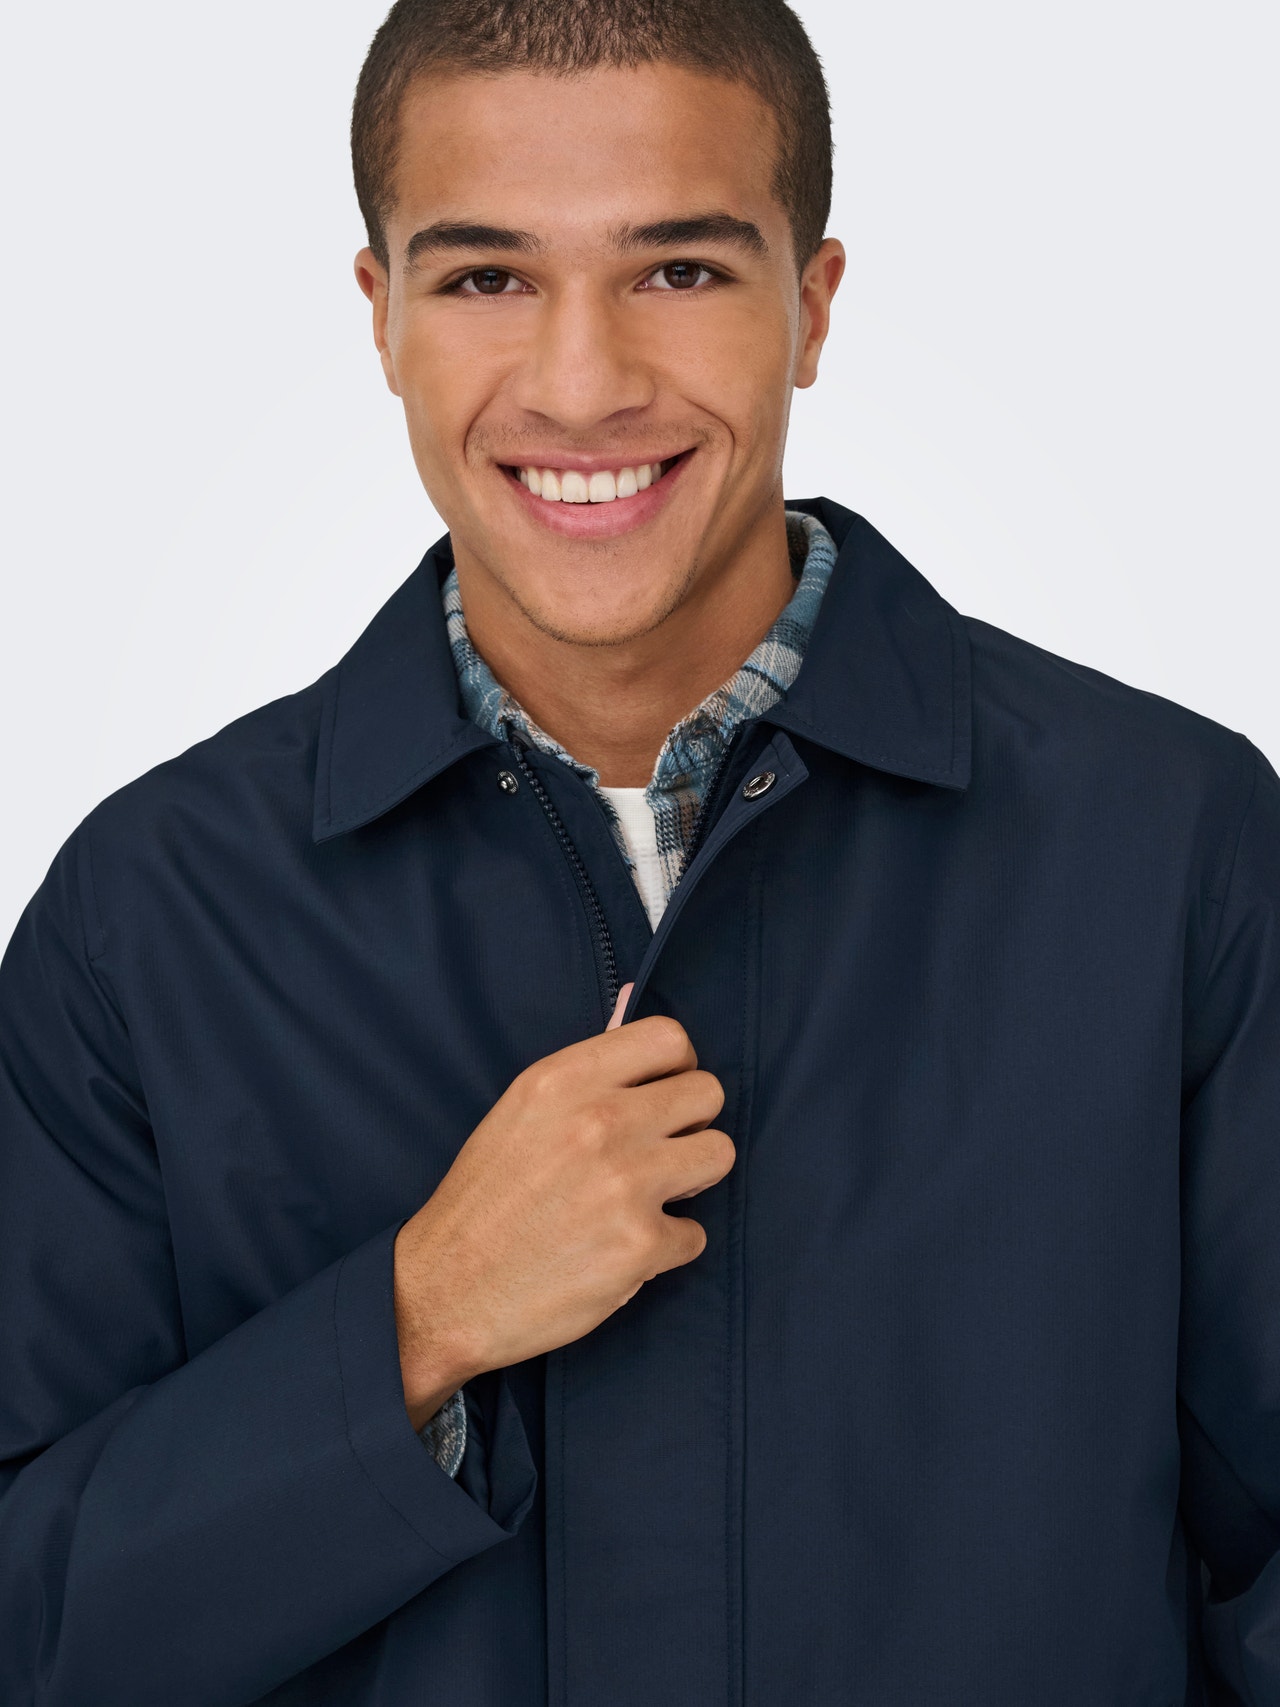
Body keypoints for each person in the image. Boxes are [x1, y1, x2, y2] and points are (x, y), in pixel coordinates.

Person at [1, 0, 1276, 1701]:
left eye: (677, 270)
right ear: (381, 318)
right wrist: (419, 1322)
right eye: (486, 278)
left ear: (810, 307)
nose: (583, 383)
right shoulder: (149, 915)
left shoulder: (1170, 848)